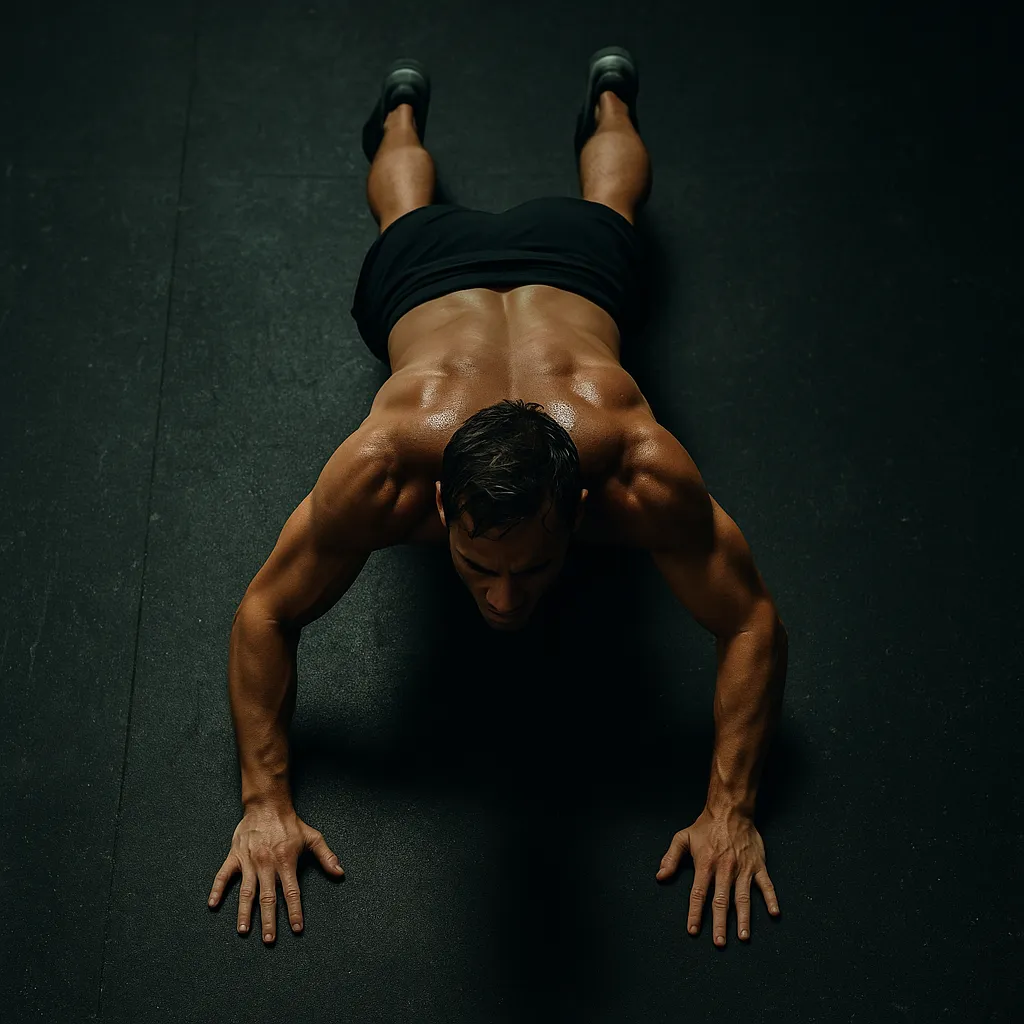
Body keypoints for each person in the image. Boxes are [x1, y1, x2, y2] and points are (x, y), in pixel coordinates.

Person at [208, 47, 787, 951]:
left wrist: (731, 810)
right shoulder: (384, 468)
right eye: (479, 567)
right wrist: (263, 805)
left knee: (611, 211)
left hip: (575, 273)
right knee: (411, 212)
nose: (505, 600)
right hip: (431, 277)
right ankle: (406, 111)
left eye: (535, 566)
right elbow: (262, 614)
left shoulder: (636, 468)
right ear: (435, 511)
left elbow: (753, 619)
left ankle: (605, 94)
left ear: (584, 506)